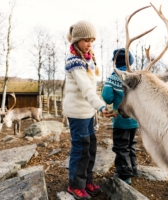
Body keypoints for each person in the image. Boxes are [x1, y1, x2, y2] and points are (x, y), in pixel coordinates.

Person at [63, 20, 113, 200]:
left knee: (90, 147)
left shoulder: (88, 58)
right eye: (85, 40)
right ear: (76, 41)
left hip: (87, 111)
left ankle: (86, 181)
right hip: (77, 112)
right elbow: (86, 89)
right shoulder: (74, 61)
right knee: (81, 148)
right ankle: (75, 185)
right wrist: (100, 106)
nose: (89, 43)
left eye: (92, 39)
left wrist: (96, 106)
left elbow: (92, 85)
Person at [101, 48, 139, 185]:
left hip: (120, 120)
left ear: (115, 62)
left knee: (121, 146)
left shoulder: (113, 77)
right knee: (131, 144)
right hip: (134, 120)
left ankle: (124, 175)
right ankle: (133, 168)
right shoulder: (134, 77)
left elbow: (107, 97)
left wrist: (109, 102)